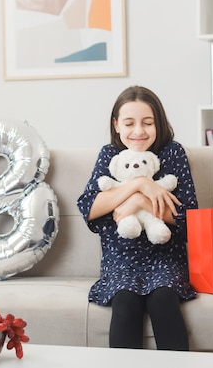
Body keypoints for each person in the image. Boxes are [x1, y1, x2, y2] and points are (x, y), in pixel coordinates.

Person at [76, 85, 198, 351]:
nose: (139, 131)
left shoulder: (173, 153)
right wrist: (139, 184)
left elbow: (189, 219)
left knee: (164, 301)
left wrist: (142, 202)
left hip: (166, 257)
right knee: (125, 304)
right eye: (129, 123)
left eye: (148, 122)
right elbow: (89, 206)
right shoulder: (109, 155)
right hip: (120, 259)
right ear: (116, 125)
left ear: (159, 123)